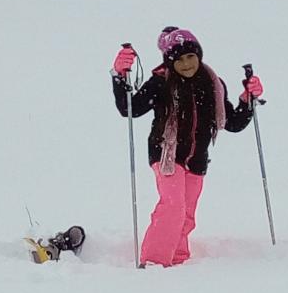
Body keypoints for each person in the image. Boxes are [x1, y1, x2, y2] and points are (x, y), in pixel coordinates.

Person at [111, 27, 263, 267]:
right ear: (170, 62)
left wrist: (248, 100)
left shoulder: (213, 83)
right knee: (173, 207)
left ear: (198, 54)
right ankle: (153, 262)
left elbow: (231, 122)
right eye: (179, 59)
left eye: (190, 56)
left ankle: (178, 260)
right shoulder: (161, 82)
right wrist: (119, 76)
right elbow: (130, 108)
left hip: (197, 159)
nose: (186, 64)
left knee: (186, 215)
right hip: (166, 154)